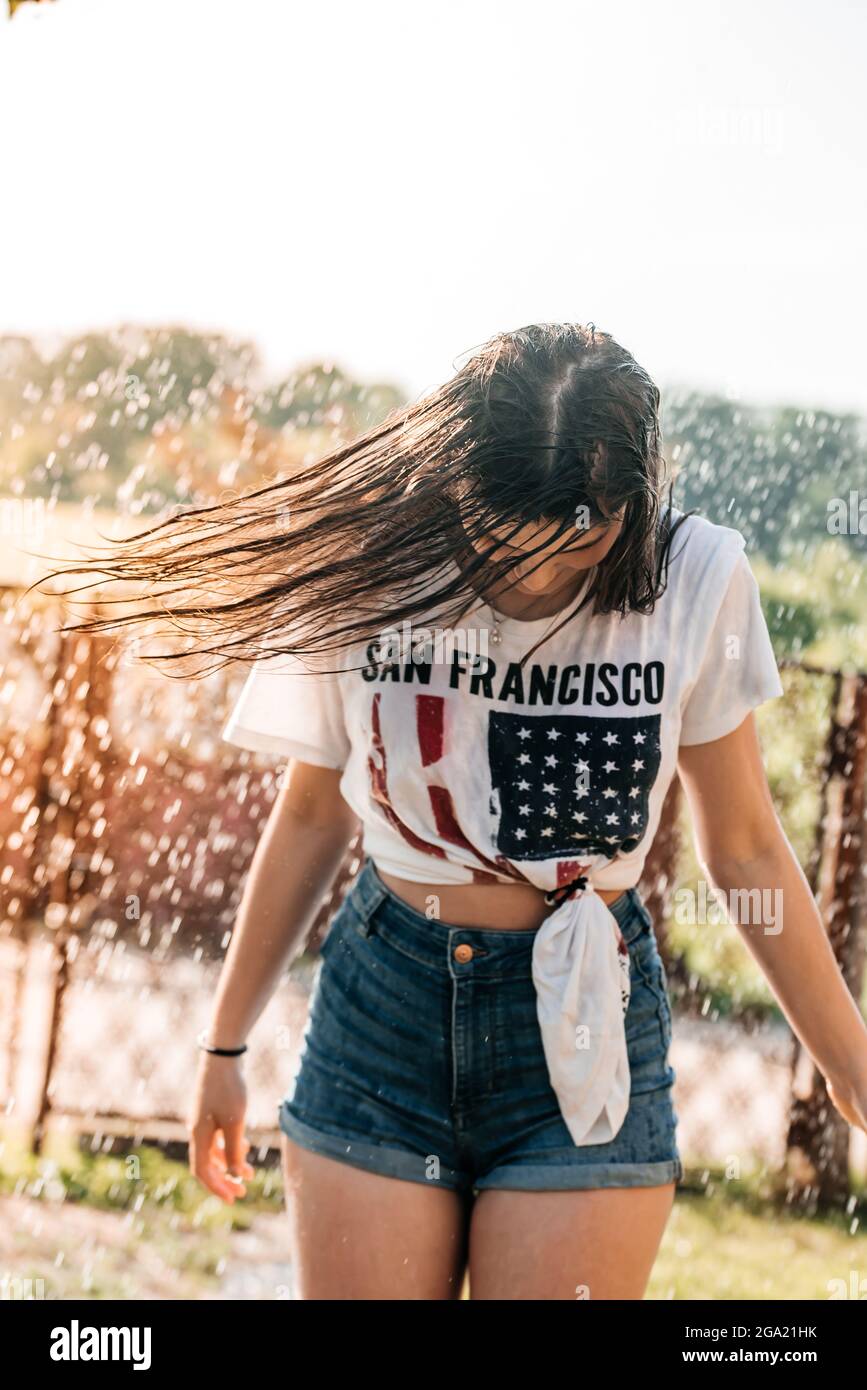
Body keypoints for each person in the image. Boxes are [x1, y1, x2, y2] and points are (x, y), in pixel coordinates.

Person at [53, 322, 867, 1299]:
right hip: (384, 1012)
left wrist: (851, 1065)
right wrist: (223, 1045)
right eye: (495, 545)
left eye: (569, 550)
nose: (526, 587)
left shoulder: (695, 575)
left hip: (582, 1021)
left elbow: (744, 849)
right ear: (455, 482)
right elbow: (312, 814)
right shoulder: (371, 558)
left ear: (626, 507)